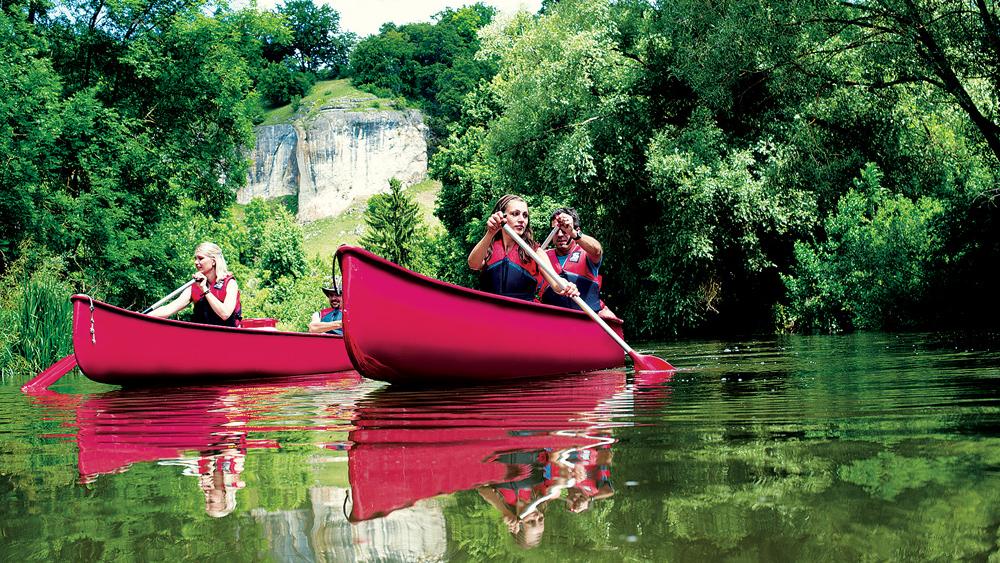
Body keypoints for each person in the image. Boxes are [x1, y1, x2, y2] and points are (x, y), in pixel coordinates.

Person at [467, 194, 579, 302]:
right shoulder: (488, 246)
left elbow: (556, 284)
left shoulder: (536, 252)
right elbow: (473, 264)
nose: (522, 220)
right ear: (502, 216)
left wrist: (567, 286)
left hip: (521, 316)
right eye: (515, 214)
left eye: (525, 215)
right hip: (489, 313)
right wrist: (490, 233)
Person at [540, 207, 616, 319]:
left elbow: (597, 250)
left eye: (564, 229)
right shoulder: (541, 256)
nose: (560, 234)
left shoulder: (587, 253)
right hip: (552, 319)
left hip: (585, 318)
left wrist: (573, 232)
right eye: (556, 230)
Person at [148, 242, 242, 326]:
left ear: (213, 261)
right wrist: (141, 316)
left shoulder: (230, 283)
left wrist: (204, 289)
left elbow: (225, 314)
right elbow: (168, 309)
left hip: (226, 337)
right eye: (195, 258)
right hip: (201, 336)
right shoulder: (193, 286)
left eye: (201, 258)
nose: (196, 262)